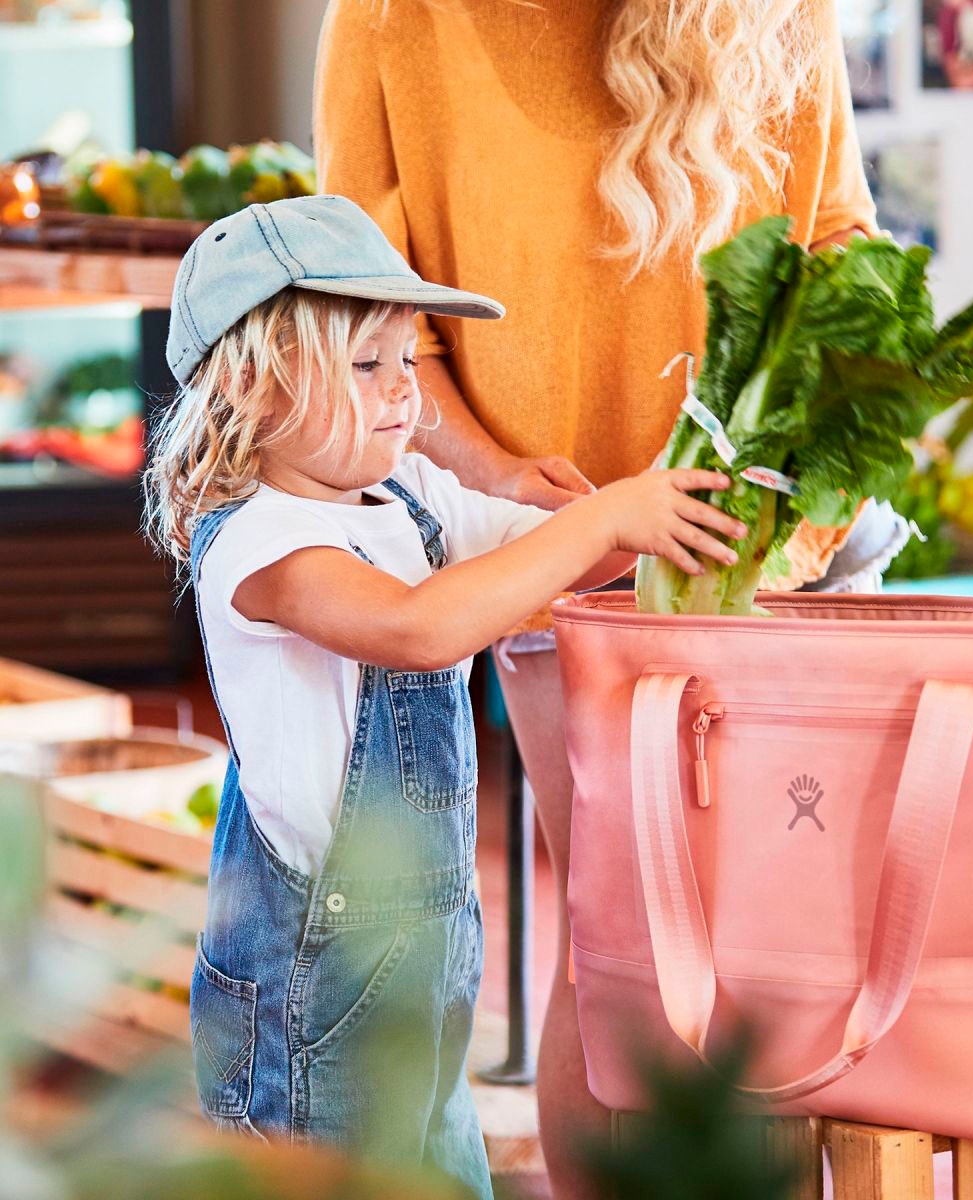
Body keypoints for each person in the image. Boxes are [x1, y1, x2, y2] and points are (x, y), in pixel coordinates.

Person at [313, 3, 897, 1193]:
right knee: (626, 935)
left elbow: (837, 238)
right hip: (566, 558)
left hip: (778, 535)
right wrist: (505, 485)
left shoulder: (776, 12)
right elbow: (368, 303)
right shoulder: (393, 20)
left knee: (789, 951)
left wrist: (801, 489)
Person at [143, 194, 746, 1198]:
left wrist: (601, 518)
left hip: (423, 969)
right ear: (253, 384)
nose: (399, 393)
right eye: (364, 364)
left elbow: (526, 554)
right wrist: (597, 526)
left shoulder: (402, 495)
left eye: (406, 361)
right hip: (309, 997)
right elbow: (421, 627)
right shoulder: (260, 541)